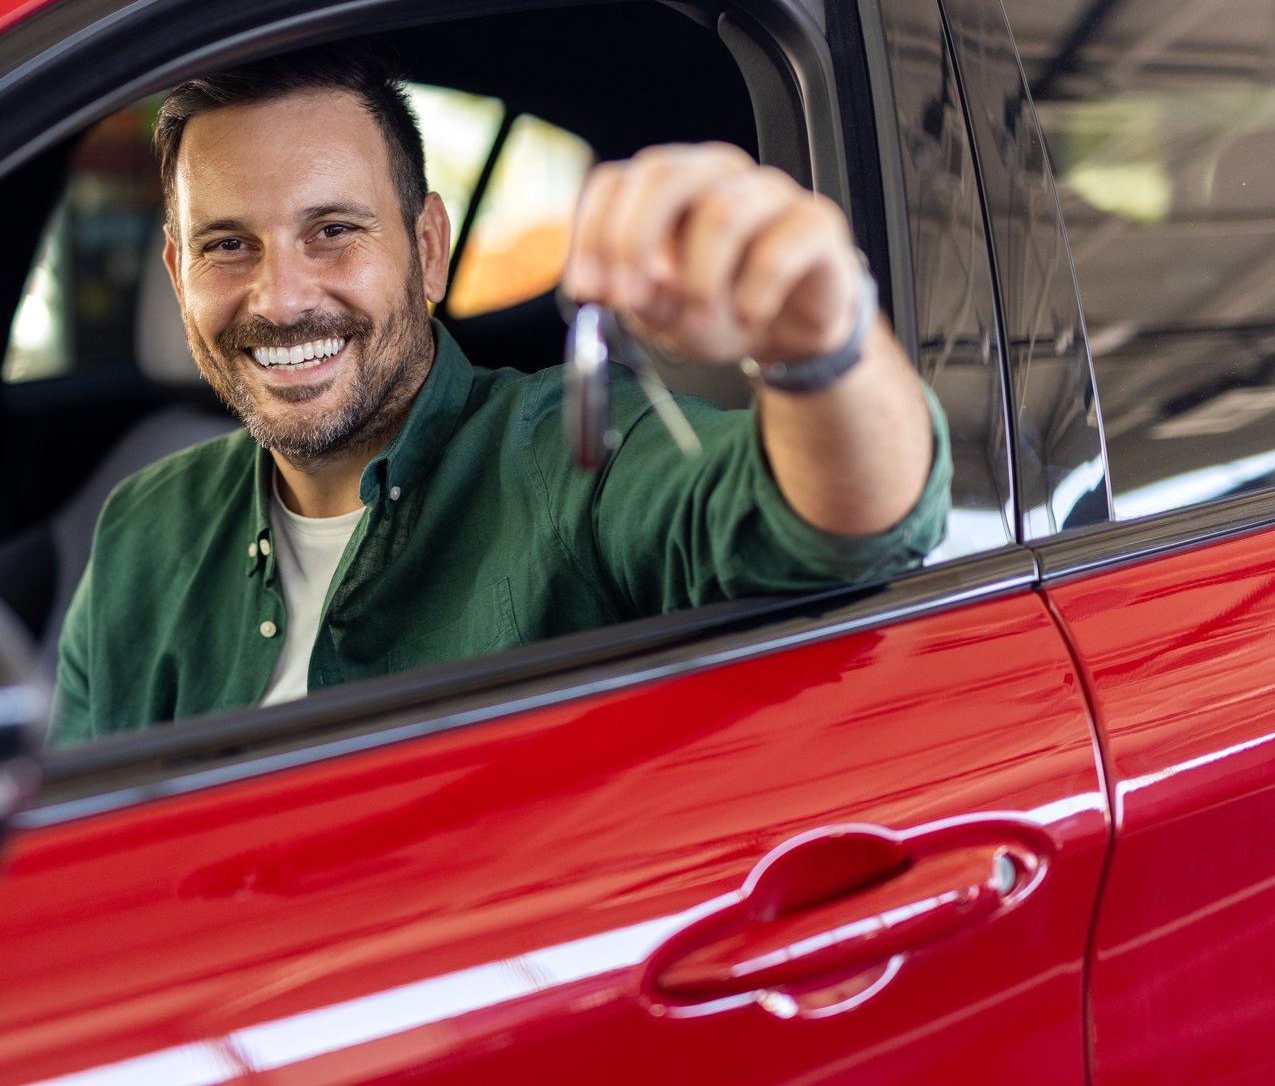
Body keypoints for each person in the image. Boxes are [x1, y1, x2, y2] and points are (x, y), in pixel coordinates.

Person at [49, 44, 949, 745]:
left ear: (429, 248)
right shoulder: (140, 530)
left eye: (332, 230)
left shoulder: (568, 454)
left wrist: (818, 342)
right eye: (227, 246)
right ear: (177, 272)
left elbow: (841, 531)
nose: (280, 297)